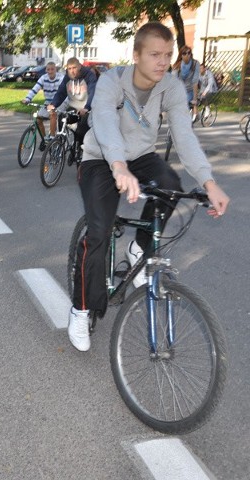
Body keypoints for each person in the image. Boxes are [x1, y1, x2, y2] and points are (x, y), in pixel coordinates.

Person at [67, 22, 230, 352]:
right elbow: (105, 123)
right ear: (136, 55)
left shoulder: (170, 86)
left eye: (167, 55)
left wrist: (209, 183)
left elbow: (184, 136)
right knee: (98, 232)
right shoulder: (113, 81)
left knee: (170, 182)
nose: (162, 61)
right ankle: (80, 309)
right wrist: (117, 166)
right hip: (100, 158)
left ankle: (141, 247)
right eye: (154, 54)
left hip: (140, 157)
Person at [47, 57, 97, 150]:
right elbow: (61, 92)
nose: (72, 71)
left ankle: (80, 151)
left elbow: (93, 92)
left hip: (86, 108)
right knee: (61, 118)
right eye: (69, 68)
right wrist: (53, 104)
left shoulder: (89, 75)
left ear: (79, 67)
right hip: (73, 106)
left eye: (74, 68)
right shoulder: (67, 77)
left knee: (81, 130)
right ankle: (62, 145)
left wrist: (87, 107)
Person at [21, 61, 65, 150]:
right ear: (46, 70)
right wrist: (27, 99)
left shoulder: (61, 78)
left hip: (59, 101)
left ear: (55, 69)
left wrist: (54, 104)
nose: (50, 71)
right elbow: (35, 89)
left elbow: (62, 92)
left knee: (52, 114)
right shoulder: (43, 78)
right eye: (48, 69)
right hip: (47, 102)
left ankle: (52, 138)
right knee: (38, 119)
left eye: (52, 69)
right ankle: (45, 139)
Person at [172, 45, 200, 121]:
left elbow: (195, 81)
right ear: (181, 55)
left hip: (190, 90)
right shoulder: (177, 66)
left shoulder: (195, 64)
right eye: (184, 53)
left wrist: (195, 100)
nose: (187, 55)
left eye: (189, 53)